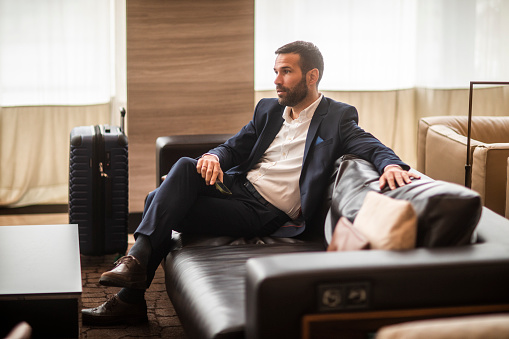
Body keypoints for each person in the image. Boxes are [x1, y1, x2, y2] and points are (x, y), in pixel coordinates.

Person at [82, 41, 419, 325]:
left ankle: (132, 284)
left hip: (266, 212)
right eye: (275, 71)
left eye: (286, 72)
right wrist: (213, 158)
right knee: (187, 167)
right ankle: (135, 271)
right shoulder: (268, 110)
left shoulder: (338, 117)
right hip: (238, 188)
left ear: (312, 76)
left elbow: (371, 145)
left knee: (161, 199)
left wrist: (391, 165)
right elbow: (234, 146)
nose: (277, 80)